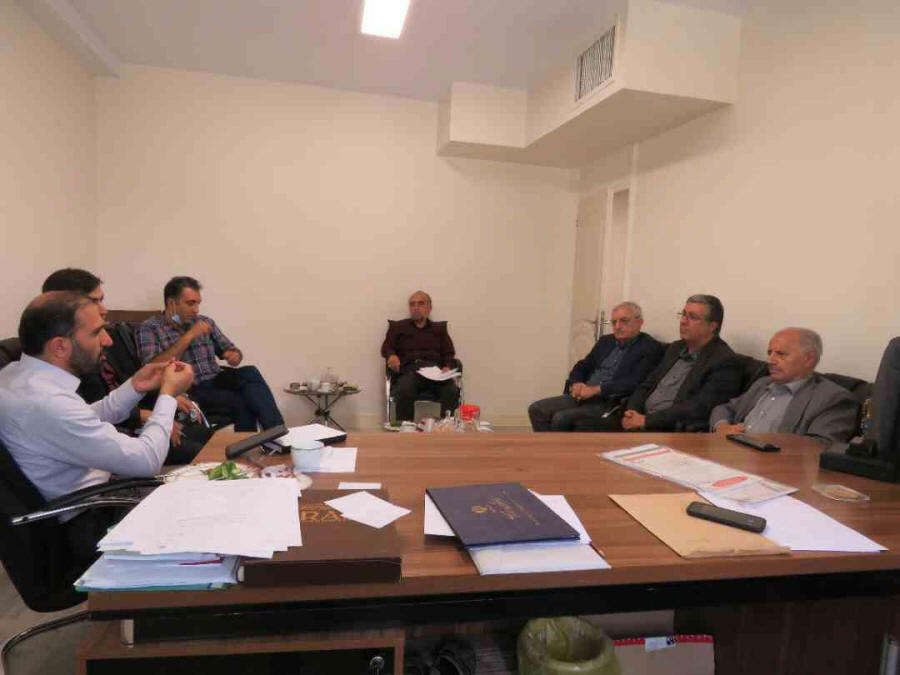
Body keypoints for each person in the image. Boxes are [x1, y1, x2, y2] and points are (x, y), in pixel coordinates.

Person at [0, 292, 194, 562]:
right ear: (60, 346)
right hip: (92, 521)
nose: (107, 340)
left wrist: (135, 387)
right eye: (97, 332)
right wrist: (168, 395)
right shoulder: (46, 403)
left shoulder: (14, 376)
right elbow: (146, 460)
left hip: (96, 501)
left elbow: (82, 419)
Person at [42, 268, 204, 462]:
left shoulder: (106, 340)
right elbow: (145, 459)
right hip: (124, 444)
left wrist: (141, 388)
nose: (104, 309)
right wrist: (164, 401)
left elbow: (93, 412)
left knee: (209, 439)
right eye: (95, 301)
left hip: (131, 421)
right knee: (204, 454)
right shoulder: (54, 389)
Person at [136, 276, 285, 432]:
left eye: (198, 303)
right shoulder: (150, 327)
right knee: (243, 400)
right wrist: (189, 335)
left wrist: (234, 355)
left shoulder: (205, 322)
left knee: (249, 372)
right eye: (190, 303)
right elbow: (152, 367)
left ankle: (277, 432)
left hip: (215, 379)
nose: (196, 310)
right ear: (171, 303)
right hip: (190, 388)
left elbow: (231, 350)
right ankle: (262, 439)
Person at [528, 302, 664, 431]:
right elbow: (583, 365)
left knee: (561, 418)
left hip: (609, 401)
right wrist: (577, 383)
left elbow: (635, 382)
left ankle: (560, 448)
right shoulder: (606, 341)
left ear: (639, 322)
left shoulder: (650, 347)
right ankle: (547, 447)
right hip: (583, 395)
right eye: (614, 322)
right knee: (536, 409)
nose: (617, 326)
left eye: (624, 321)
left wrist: (596, 390)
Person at [710, 328, 859, 445]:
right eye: (770, 353)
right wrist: (722, 426)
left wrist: (759, 444)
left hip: (770, 466)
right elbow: (726, 408)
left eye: (781, 354)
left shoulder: (833, 399)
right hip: (728, 452)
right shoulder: (763, 383)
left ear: (809, 358)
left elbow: (819, 445)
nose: (770, 360)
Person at [622, 294, 742, 431]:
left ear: (712, 326)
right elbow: (647, 385)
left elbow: (699, 408)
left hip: (668, 430)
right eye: (683, 314)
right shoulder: (676, 348)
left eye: (692, 317)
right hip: (640, 420)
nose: (683, 321)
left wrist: (646, 421)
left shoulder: (724, 361)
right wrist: (631, 412)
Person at [381, 290, 458, 422]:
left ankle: (445, 427)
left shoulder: (439, 329)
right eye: (412, 304)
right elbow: (387, 347)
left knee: (451, 391)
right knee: (404, 389)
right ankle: (405, 427)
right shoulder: (398, 327)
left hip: (435, 374)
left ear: (429, 308)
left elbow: (449, 353)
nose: (416, 307)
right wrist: (391, 356)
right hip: (410, 372)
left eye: (420, 303)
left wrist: (447, 366)